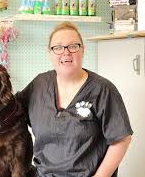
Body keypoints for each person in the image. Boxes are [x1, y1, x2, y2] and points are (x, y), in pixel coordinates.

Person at [16, 21, 133, 177]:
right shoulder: (39, 85)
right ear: (50, 53)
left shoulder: (103, 90)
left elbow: (121, 139)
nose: (66, 53)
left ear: (83, 50)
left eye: (73, 46)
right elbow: (10, 113)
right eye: (57, 47)